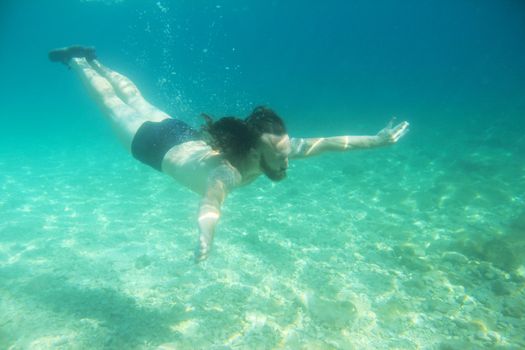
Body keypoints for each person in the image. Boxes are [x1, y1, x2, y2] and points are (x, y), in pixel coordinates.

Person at [49, 46, 409, 262]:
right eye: (279, 156)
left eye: (286, 152)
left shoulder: (274, 149)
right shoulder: (227, 172)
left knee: (137, 99)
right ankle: (79, 61)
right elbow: (211, 203)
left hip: (179, 134)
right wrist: (206, 236)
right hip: (151, 145)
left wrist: (380, 140)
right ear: (253, 150)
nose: (287, 161)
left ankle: (95, 59)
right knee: (112, 102)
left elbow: (330, 142)